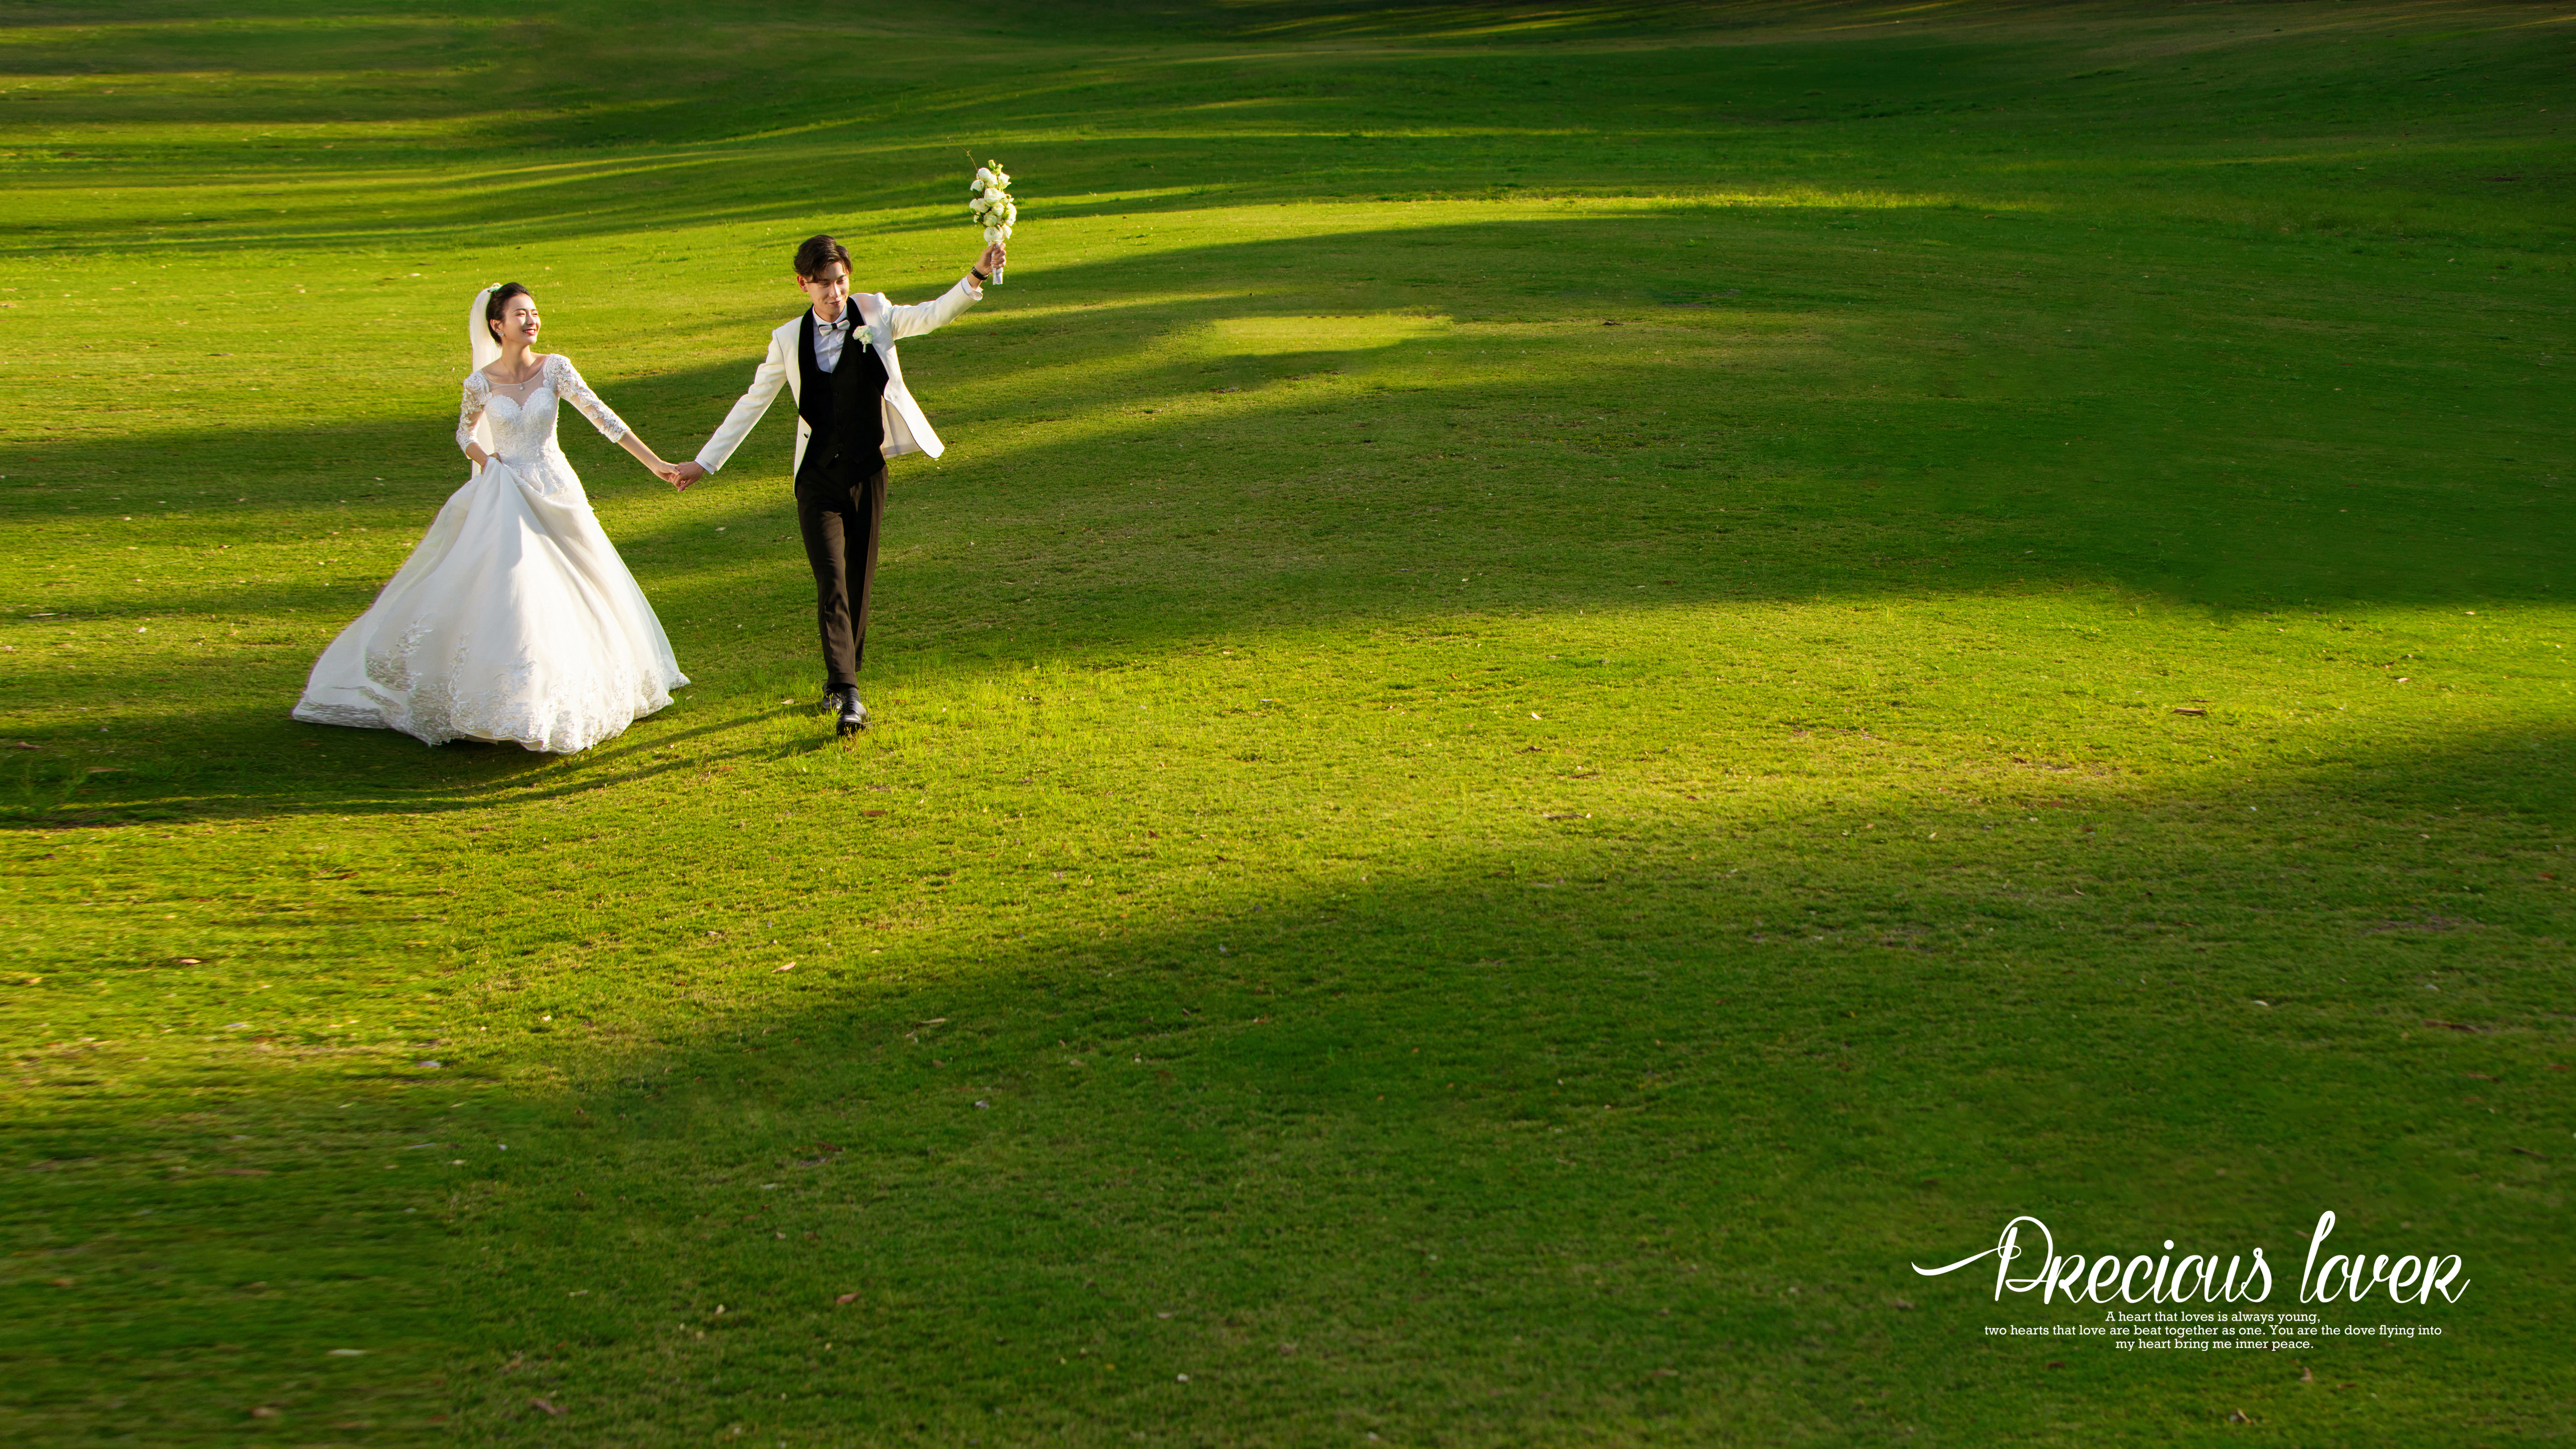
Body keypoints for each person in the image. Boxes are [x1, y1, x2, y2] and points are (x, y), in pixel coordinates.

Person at [292, 283, 692, 753]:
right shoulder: (480, 383)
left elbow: (603, 418)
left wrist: (657, 464)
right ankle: (515, 698)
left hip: (556, 487)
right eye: (520, 314)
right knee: (517, 587)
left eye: (535, 312)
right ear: (497, 326)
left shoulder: (556, 368)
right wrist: (488, 460)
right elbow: (464, 432)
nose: (531, 320)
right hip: (507, 488)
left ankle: (579, 684)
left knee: (584, 580)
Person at [670, 231, 1007, 736]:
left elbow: (934, 314)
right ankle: (849, 693)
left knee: (858, 582)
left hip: (868, 473)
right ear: (804, 284)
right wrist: (704, 463)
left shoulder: (875, 314)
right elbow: (752, 403)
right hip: (817, 480)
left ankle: (841, 681)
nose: (835, 293)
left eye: (841, 281)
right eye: (824, 284)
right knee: (831, 582)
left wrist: (976, 275)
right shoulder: (787, 339)